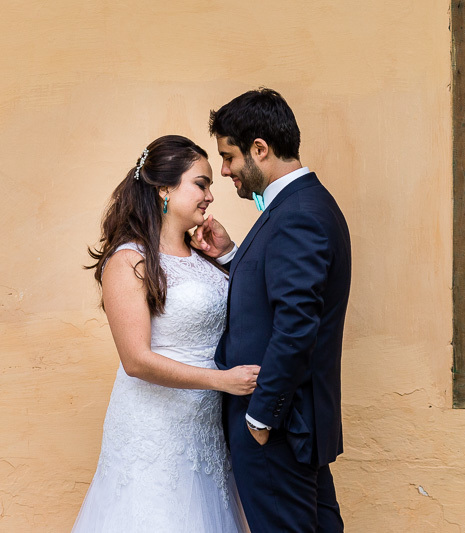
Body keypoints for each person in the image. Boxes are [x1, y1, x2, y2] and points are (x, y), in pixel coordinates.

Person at [73, 135, 258, 532]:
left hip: (205, 429)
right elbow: (136, 360)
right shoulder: (129, 260)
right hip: (153, 428)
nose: (211, 195)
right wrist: (222, 381)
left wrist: (227, 255)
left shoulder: (206, 258)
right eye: (201, 183)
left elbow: (252, 305)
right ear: (165, 188)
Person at [193, 88, 351, 532]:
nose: (224, 171)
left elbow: (296, 325)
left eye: (228, 157)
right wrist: (230, 256)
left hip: (280, 427)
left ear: (259, 149)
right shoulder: (302, 205)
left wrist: (260, 418)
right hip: (297, 425)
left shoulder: (297, 213)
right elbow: (279, 295)